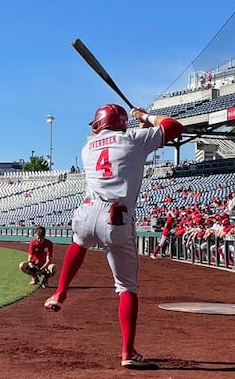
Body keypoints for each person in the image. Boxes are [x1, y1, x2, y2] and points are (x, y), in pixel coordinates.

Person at [44, 104, 182, 369]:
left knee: (78, 243)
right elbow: (174, 126)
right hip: (116, 217)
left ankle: (60, 293)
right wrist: (146, 117)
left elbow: (126, 152)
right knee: (127, 287)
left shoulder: (88, 148)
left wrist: (140, 129)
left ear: (98, 123)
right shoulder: (132, 139)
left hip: (86, 212)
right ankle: (127, 351)